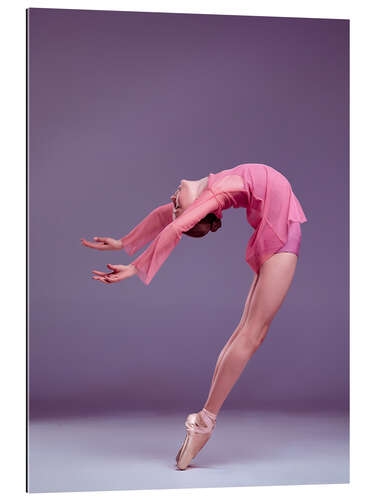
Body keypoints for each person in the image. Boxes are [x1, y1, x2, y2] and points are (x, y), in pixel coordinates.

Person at [81, 163, 308, 470]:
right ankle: (204, 421)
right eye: (179, 206)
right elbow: (173, 220)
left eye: (177, 204)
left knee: (250, 333)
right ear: (199, 211)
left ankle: (204, 421)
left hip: (277, 234)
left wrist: (130, 253)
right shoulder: (215, 191)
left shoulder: (213, 191)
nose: (173, 200)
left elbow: (172, 219)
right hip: (280, 236)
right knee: (251, 334)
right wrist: (131, 254)